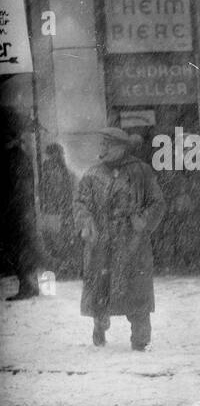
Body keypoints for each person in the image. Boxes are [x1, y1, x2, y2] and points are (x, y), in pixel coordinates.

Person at [73, 127, 165, 349]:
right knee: (101, 289)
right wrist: (86, 222)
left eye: (107, 145)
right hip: (101, 243)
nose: (102, 149)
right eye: (102, 144)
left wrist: (142, 220)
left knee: (137, 290)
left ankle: (140, 338)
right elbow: (80, 203)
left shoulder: (141, 171)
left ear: (120, 147)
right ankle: (99, 326)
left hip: (132, 243)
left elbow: (157, 202)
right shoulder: (93, 174)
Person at [2, 111, 45, 300]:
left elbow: (17, 187)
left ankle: (28, 286)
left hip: (17, 211)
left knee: (21, 248)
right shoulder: (17, 156)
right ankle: (29, 284)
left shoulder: (15, 157)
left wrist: (14, 208)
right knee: (22, 247)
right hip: (18, 210)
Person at [38, 141, 78, 280]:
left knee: (57, 243)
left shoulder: (50, 170)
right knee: (62, 242)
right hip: (60, 212)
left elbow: (51, 192)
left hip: (55, 213)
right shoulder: (64, 171)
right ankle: (65, 270)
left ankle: (62, 270)